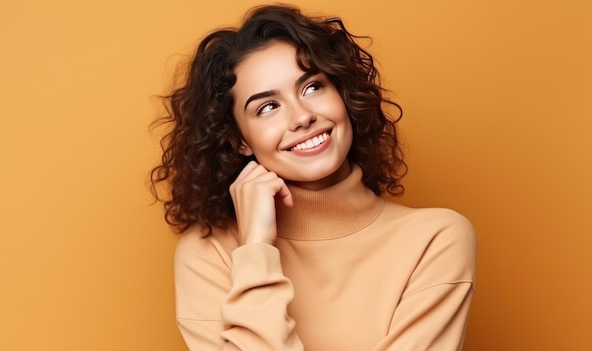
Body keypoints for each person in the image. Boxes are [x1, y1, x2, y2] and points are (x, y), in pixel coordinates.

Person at [151, 4, 476, 350]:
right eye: (267, 107)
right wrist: (257, 249)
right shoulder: (210, 254)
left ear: (343, 93)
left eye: (312, 88)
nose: (302, 117)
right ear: (239, 140)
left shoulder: (435, 240)